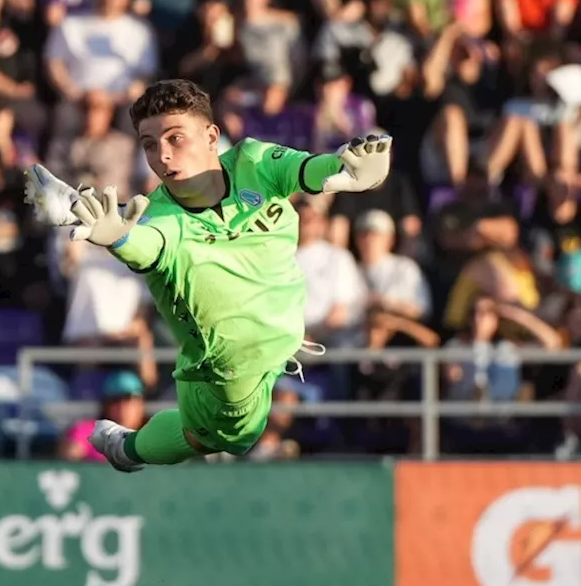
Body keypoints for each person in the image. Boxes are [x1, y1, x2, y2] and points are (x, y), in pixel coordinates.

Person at [24, 79, 391, 470]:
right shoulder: (159, 217)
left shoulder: (255, 162)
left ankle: (129, 448)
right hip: (225, 370)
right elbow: (145, 244)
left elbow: (315, 169)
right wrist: (116, 237)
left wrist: (354, 172)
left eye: (175, 138)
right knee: (228, 439)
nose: (162, 155)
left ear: (212, 136)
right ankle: (126, 450)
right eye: (149, 144)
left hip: (284, 345)